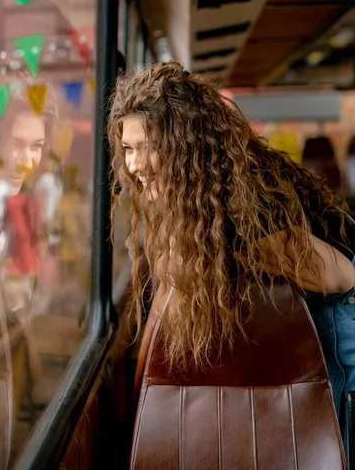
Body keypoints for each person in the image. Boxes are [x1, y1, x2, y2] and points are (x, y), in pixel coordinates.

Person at [107, 61, 355, 437]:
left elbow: (340, 277)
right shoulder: (197, 198)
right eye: (128, 147)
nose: (135, 164)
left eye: (150, 147)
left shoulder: (240, 211)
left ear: (185, 146)